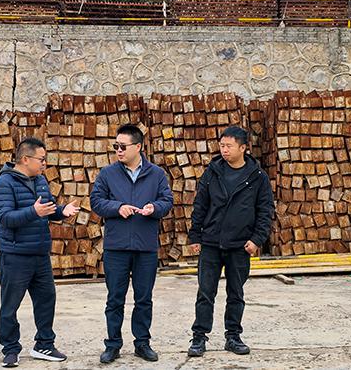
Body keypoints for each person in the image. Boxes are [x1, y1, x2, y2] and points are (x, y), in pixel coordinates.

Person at [186, 125, 274, 357]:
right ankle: (199, 337)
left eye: (229, 146)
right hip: (211, 243)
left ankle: (233, 336)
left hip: (240, 245)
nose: (224, 150)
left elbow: (265, 211)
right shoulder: (212, 172)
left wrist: (257, 239)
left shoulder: (257, 177)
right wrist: (195, 235)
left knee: (236, 294)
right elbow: (200, 205)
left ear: (243, 148)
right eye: (222, 146)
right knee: (205, 293)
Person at [0, 137, 80, 367]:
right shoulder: (4, 184)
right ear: (25, 159)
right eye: (41, 159)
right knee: (10, 305)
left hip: (40, 253)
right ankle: (10, 349)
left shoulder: (40, 180)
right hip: (15, 255)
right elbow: (5, 217)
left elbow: (47, 209)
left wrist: (62, 211)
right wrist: (33, 211)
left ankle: (44, 344)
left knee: (46, 300)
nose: (44, 163)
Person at [90, 124, 174, 364]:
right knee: (115, 299)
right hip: (116, 247)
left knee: (144, 299)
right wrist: (117, 207)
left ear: (138, 147)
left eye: (122, 146)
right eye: (115, 146)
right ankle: (113, 344)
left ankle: (142, 343)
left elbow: (167, 200)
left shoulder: (156, 174)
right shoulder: (108, 174)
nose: (118, 150)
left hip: (145, 247)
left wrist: (154, 208)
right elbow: (96, 201)